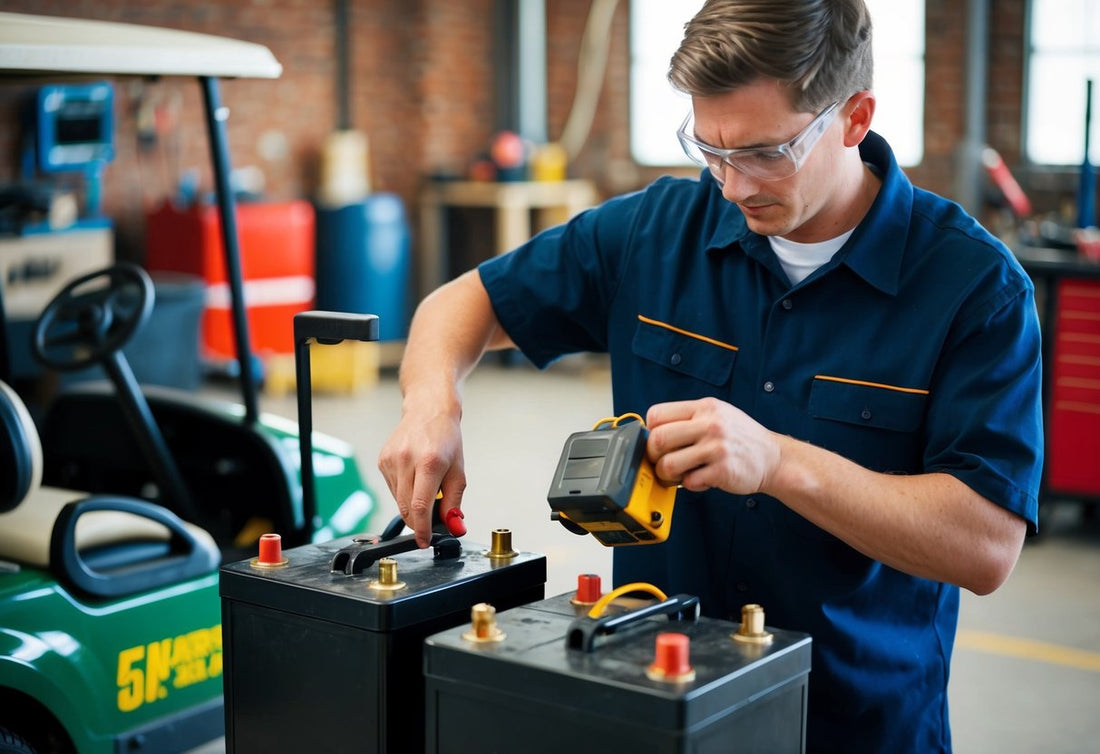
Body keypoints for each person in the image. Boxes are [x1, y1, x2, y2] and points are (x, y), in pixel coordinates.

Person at [378, 0, 1042, 750]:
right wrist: (431, 405)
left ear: (855, 118)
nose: (731, 185)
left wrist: (779, 461)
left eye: (765, 152)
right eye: (710, 147)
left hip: (849, 723)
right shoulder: (656, 230)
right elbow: (460, 303)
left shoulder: (974, 289)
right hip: (646, 700)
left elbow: (984, 547)